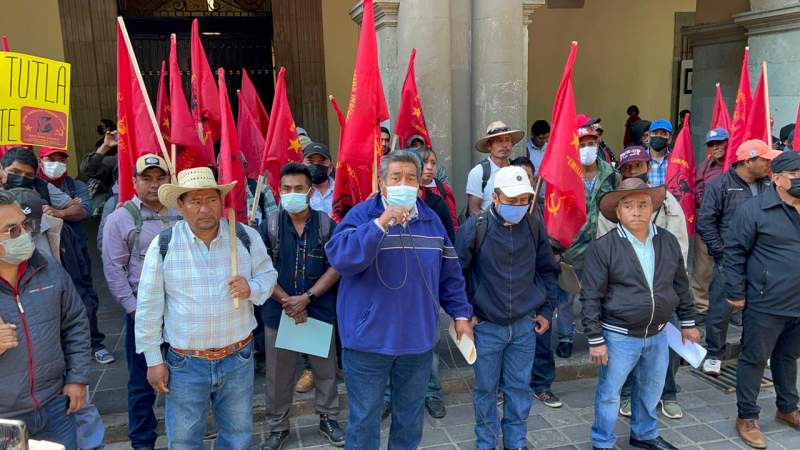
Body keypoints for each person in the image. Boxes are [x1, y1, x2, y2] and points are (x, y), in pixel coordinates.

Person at [325, 150, 474, 449]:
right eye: (396, 178)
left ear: (420, 183)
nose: (403, 183)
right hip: (367, 343)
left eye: (410, 178)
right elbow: (341, 259)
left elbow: (451, 275)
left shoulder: (432, 222)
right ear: (382, 183)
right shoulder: (361, 215)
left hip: (416, 344)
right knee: (365, 420)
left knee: (409, 420)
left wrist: (460, 316)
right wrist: (380, 224)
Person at [135, 167, 278, 448]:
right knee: (185, 440)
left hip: (238, 356)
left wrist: (252, 288)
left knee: (238, 437)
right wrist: (153, 360)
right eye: (195, 201)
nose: (204, 209)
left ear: (221, 202)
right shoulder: (164, 244)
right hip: (186, 362)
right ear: (181, 206)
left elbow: (268, 275)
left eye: (211, 200)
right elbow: (148, 306)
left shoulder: (245, 238)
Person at [582, 178, 699, 450]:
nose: (637, 211)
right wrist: (595, 339)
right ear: (618, 212)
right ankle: (603, 441)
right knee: (610, 394)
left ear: (653, 209)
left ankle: (644, 434)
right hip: (618, 336)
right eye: (629, 205)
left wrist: (689, 322)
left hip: (658, 333)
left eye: (643, 204)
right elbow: (591, 296)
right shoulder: (604, 247)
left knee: (651, 389)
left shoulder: (667, 241)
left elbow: (681, 283)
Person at [456, 165, 559, 449]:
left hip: (525, 327)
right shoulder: (475, 228)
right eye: (511, 201)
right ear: (496, 197)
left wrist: (547, 311)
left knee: (518, 390)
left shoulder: (535, 225)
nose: (517, 206)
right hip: (486, 327)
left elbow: (548, 270)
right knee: (486, 391)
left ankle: (516, 442)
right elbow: (455, 274)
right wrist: (465, 313)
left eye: (523, 200)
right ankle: (486, 443)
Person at [595, 146, 689, 420]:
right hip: (625, 298)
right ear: (621, 172)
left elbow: (679, 246)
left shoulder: (668, 202)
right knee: (621, 357)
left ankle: (668, 394)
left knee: (668, 348)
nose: (633, 171)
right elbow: (605, 252)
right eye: (628, 168)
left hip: (663, 291)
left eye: (639, 166)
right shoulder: (611, 207)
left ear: (647, 168)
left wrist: (666, 283)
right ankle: (625, 396)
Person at [258, 163, 344, 449]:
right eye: (286, 189)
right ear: (278, 191)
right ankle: (278, 427)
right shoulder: (268, 225)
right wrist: (288, 302)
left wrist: (307, 298)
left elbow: (336, 267)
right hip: (279, 311)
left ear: (309, 191)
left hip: (316, 309)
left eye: (298, 189)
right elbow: (260, 269)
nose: (292, 194)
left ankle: (328, 418)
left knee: (325, 370)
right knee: (278, 376)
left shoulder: (326, 224)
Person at [0, 189, 91, 450]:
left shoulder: (48, 268)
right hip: (4, 419)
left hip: (55, 405)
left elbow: (75, 323)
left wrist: (77, 377)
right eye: (12, 230)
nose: (26, 234)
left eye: (25, 225)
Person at [101, 154, 178, 450]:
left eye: (160, 178)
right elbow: (113, 271)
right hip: (142, 314)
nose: (154, 184)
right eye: (147, 178)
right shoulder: (121, 218)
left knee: (182, 379)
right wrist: (135, 312)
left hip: (179, 312)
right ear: (134, 182)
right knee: (141, 384)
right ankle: (143, 442)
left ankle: (179, 436)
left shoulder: (180, 211)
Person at [725, 151, 800, 449]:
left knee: (788, 357)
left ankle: (787, 407)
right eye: (795, 175)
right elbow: (733, 253)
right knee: (755, 359)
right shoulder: (754, 210)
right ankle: (747, 416)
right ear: (777, 178)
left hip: (798, 304)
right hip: (765, 301)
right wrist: (735, 292)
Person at [697, 139, 779, 377]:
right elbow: (706, 221)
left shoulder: (769, 185)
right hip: (730, 259)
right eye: (764, 159)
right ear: (747, 160)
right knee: (721, 309)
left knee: (758, 310)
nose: (768, 164)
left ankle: (753, 352)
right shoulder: (720, 185)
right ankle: (714, 354)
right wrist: (721, 252)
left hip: (763, 259)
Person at [36, 146, 113, 364]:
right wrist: (69, 209)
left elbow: (83, 211)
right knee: (50, 301)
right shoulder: (34, 186)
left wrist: (57, 212)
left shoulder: (75, 185)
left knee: (85, 297)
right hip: (43, 255)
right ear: (40, 161)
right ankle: (61, 348)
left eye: (61, 159)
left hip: (75, 251)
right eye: (51, 158)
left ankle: (95, 342)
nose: (56, 163)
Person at [555, 124, 619, 359]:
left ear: (598, 143)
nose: (587, 148)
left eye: (591, 143)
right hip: (572, 245)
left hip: (603, 243)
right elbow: (556, 211)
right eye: (581, 145)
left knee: (603, 294)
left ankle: (600, 335)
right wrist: (557, 245)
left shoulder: (611, 174)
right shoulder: (566, 173)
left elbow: (617, 206)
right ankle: (564, 336)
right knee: (566, 296)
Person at [692, 128, 728, 320]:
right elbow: (697, 189)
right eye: (711, 145)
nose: (715, 147)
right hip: (708, 223)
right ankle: (701, 307)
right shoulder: (705, 166)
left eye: (719, 143)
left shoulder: (736, 165)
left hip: (732, 225)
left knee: (733, 266)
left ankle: (733, 308)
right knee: (703, 268)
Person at [466, 121, 524, 217]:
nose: (504, 145)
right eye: (499, 141)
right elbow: (474, 211)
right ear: (489, 146)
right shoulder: (478, 173)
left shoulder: (517, 171)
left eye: (507, 140)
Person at [1, 147, 77, 212]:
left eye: (29, 175)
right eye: (15, 172)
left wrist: (59, 213)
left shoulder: (41, 186)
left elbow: (77, 208)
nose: (21, 178)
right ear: (1, 169)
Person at [303, 142, 336, 217]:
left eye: (322, 162)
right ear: (302, 166)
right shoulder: (297, 193)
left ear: (330, 167)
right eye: (310, 162)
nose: (316, 166)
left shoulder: (341, 191)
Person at [646, 119, 673, 187]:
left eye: (663, 134)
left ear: (669, 139)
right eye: (655, 133)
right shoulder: (640, 159)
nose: (659, 136)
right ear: (649, 136)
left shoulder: (675, 160)